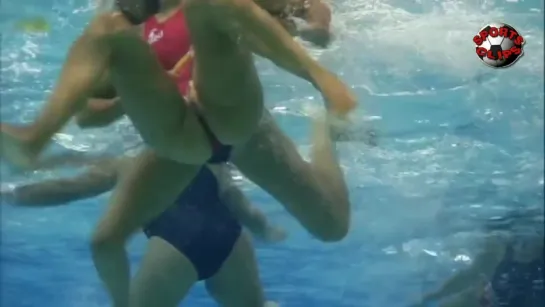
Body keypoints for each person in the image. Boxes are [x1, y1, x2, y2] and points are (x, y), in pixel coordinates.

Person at [1, 0, 354, 305]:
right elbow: (88, 112)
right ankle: (33, 141)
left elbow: (309, 6)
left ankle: (324, 132)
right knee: (106, 31)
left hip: (238, 123)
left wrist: (316, 31)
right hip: (179, 141)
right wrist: (135, 96)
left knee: (332, 226)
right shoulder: (131, 19)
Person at [411, 215, 544, 307]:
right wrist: (434, 296)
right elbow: (469, 276)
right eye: (517, 240)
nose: (521, 245)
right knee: (468, 296)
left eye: (528, 241)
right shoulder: (497, 255)